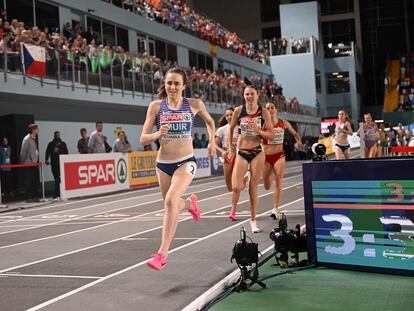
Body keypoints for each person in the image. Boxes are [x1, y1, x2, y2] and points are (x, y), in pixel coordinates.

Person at [140, 67, 216, 270]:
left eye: (176, 83)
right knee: (171, 205)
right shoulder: (156, 107)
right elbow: (143, 137)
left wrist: (212, 142)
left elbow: (210, 122)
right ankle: (190, 205)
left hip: (186, 161)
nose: (172, 87)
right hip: (163, 164)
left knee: (170, 201)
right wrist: (157, 134)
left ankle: (162, 254)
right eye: (169, 83)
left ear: (184, 86)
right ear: (165, 84)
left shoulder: (193, 104)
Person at [226, 85, 272, 233]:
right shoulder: (239, 111)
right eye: (247, 94)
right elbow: (231, 128)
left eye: (252, 94)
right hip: (242, 151)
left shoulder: (263, 112)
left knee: (253, 188)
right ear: (244, 95)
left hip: (257, 151)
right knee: (235, 187)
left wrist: (259, 130)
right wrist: (230, 149)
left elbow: (271, 133)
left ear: (257, 95)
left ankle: (253, 221)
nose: (249, 97)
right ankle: (243, 180)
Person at [262, 102, 303, 219]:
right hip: (266, 157)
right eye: (267, 108)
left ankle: (275, 208)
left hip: (279, 155)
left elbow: (295, 133)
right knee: (267, 185)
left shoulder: (283, 123)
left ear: (276, 109)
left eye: (271, 108)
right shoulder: (263, 124)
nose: (270, 110)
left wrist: (299, 141)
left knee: (278, 179)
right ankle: (268, 177)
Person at [215, 107, 238, 191]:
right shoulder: (222, 129)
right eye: (227, 115)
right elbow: (214, 144)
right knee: (229, 185)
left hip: (240, 156)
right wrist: (223, 151)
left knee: (237, 181)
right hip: (228, 157)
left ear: (235, 115)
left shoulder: (241, 127)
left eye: (231, 114)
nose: (229, 117)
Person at [45, 131, 68, 200]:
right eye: (56, 135)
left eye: (58, 135)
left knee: (61, 179)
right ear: (54, 136)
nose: (57, 136)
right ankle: (57, 194)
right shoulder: (51, 144)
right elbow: (47, 152)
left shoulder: (63, 144)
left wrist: (66, 162)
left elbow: (66, 153)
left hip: (61, 164)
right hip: (54, 165)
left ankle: (59, 194)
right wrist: (46, 160)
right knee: (56, 179)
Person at [20, 124, 40, 202]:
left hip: (34, 163)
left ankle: (34, 196)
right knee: (29, 180)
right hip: (28, 163)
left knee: (34, 180)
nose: (38, 130)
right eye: (37, 129)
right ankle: (28, 197)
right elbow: (23, 152)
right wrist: (23, 163)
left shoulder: (33, 138)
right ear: (33, 130)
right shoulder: (26, 139)